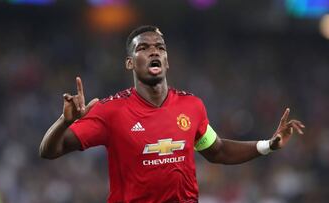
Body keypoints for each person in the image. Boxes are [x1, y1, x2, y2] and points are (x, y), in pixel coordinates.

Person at [39, 25, 305, 203]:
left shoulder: (192, 106)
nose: (154, 50)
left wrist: (268, 146)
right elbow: (49, 150)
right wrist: (65, 121)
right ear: (130, 63)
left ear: (166, 60)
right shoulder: (111, 111)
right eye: (143, 48)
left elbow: (218, 151)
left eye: (160, 47)